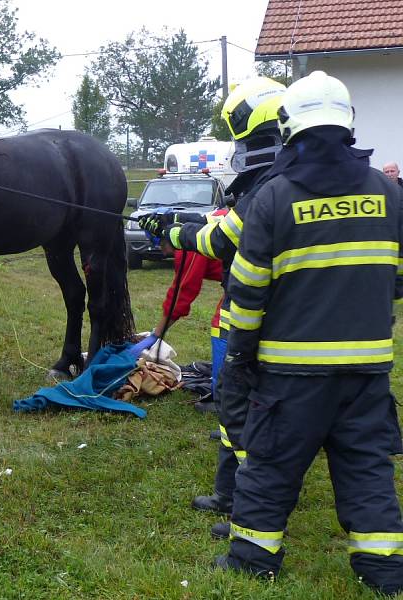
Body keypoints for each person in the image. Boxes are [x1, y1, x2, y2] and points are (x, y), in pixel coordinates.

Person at [216, 70, 403, 595]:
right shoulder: (387, 192)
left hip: (290, 372)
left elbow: (247, 292)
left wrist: (239, 356)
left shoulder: (273, 197)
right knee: (366, 467)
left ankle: (253, 561)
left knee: (270, 465)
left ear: (288, 128)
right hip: (367, 370)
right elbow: (399, 277)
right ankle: (384, 571)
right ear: (347, 125)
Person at [140, 76, 287, 538]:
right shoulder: (282, 182)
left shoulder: (265, 191)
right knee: (238, 411)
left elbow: (207, 254)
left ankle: (241, 502)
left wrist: (169, 232)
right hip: (275, 322)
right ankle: (230, 491)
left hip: (246, 322)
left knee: (240, 412)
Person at [151, 220, 224, 414]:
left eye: (161, 246)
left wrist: (156, 334)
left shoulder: (189, 249)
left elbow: (182, 292)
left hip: (249, 274)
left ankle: (223, 396)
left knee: (223, 323)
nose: (162, 252)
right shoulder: (189, 239)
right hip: (239, 274)